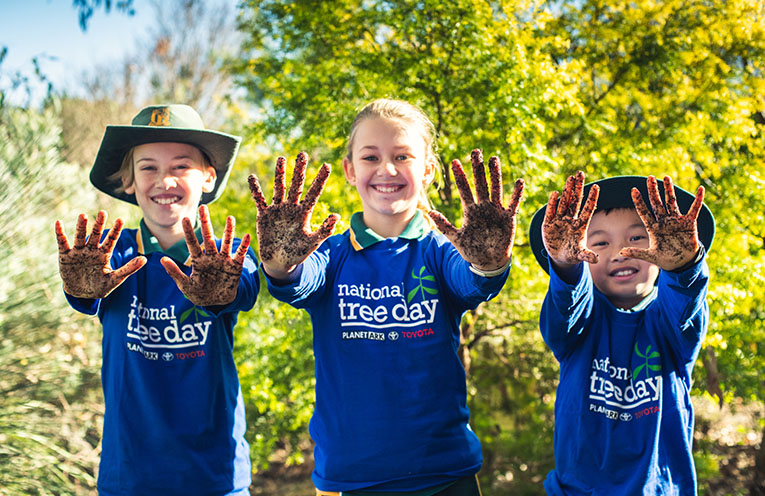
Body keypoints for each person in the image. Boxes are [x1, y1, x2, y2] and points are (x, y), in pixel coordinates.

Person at [247, 98, 525, 495]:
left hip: (444, 474)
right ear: (350, 170)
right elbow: (298, 280)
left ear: (427, 170)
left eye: (402, 156)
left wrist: (488, 261)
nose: (387, 169)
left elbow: (473, 282)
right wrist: (279, 264)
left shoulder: (439, 251)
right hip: (350, 478)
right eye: (370, 157)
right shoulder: (332, 254)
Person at [54, 104, 259, 495]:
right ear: (128, 180)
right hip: (130, 476)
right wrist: (81, 288)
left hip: (215, 476)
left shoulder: (226, 256)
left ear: (208, 176)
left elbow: (244, 289)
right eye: (148, 167)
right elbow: (83, 297)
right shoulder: (111, 255)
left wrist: (221, 291)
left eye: (181, 166)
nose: (165, 180)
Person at [528, 172, 715, 495]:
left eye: (637, 237)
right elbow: (568, 303)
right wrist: (565, 266)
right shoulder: (579, 325)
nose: (620, 252)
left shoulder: (670, 325)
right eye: (600, 243)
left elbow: (684, 302)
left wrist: (682, 266)